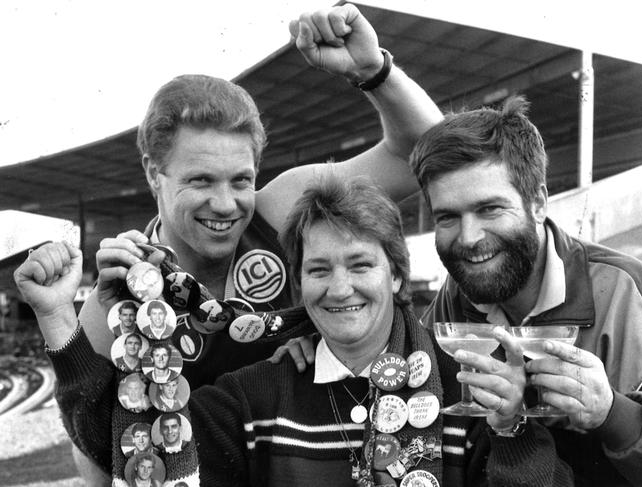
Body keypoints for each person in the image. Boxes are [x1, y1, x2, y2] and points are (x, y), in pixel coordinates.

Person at [74, 6, 443, 482]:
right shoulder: (120, 300)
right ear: (152, 173)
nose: (226, 204)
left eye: (241, 180)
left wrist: (372, 71)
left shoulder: (281, 209)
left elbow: (427, 149)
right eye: (201, 180)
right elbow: (99, 456)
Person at [14, 175, 573, 486]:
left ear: (398, 274)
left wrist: (513, 433)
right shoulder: (254, 394)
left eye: (360, 265)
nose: (339, 288)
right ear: (298, 283)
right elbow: (132, 451)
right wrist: (58, 318)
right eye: (318, 269)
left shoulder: (469, 390)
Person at [408, 95, 642, 487]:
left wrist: (612, 415)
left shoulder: (627, 292)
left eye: (490, 209)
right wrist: (300, 345)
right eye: (448, 217)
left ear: (538, 203)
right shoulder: (455, 296)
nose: (469, 239)